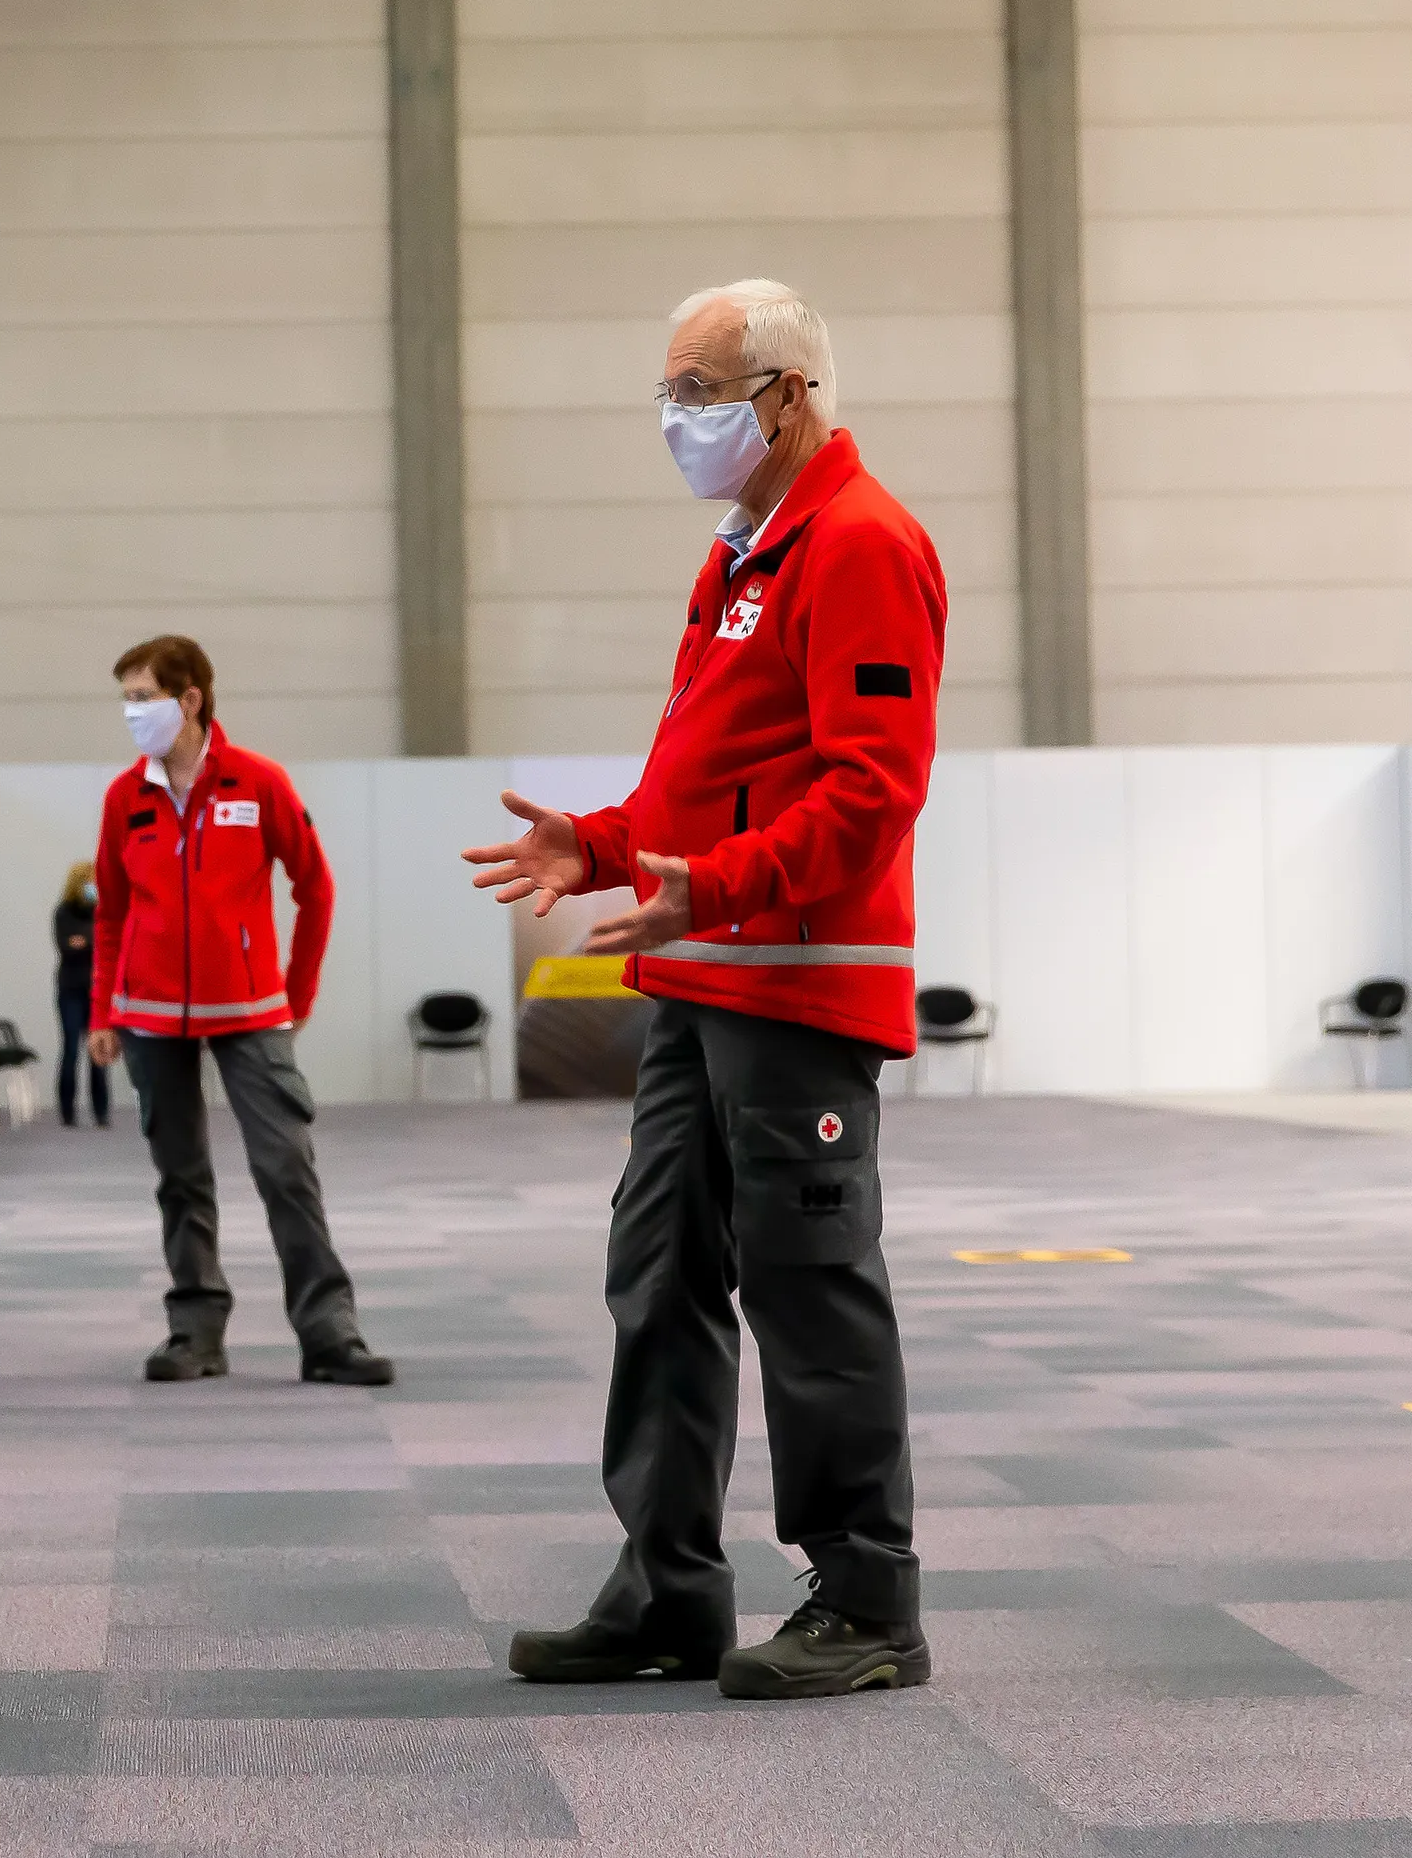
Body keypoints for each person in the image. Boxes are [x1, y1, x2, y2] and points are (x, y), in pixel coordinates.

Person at [465, 278, 945, 1704]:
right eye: (667, 395)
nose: (674, 421)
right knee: (660, 1275)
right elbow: (703, 779)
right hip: (702, 978)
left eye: (697, 393)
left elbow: (873, 792)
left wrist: (714, 888)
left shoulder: (861, 543)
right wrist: (605, 846)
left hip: (795, 987)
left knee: (808, 1288)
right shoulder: (747, 555)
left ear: (787, 396)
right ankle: (668, 1582)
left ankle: (868, 1599)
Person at [87, 635, 393, 1387]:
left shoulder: (258, 783)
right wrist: (102, 1012)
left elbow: (314, 887)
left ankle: (329, 1335)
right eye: (125, 699)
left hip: (253, 1010)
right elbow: (111, 914)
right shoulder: (126, 798)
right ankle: (194, 1332)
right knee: (180, 1176)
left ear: (189, 699)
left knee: (285, 1165)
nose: (131, 713)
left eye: (142, 697)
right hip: (150, 1015)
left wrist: (299, 992)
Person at [52, 861, 110, 1127]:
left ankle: (101, 1110)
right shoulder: (63, 912)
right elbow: (68, 947)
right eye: (89, 881)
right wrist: (88, 940)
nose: (94, 886)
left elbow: (102, 942)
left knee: (98, 1050)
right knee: (71, 1048)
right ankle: (67, 1111)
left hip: (96, 989)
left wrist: (85, 939)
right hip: (71, 989)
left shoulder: (102, 911)